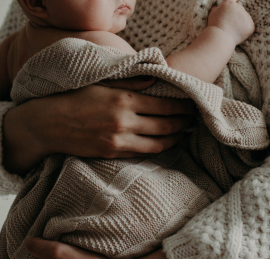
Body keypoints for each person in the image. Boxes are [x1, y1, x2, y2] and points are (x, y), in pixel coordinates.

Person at [0, 0, 255, 258]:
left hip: (49, 207)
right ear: (34, 3)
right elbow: (172, 87)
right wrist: (222, 34)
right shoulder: (93, 43)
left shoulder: (11, 48)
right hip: (116, 196)